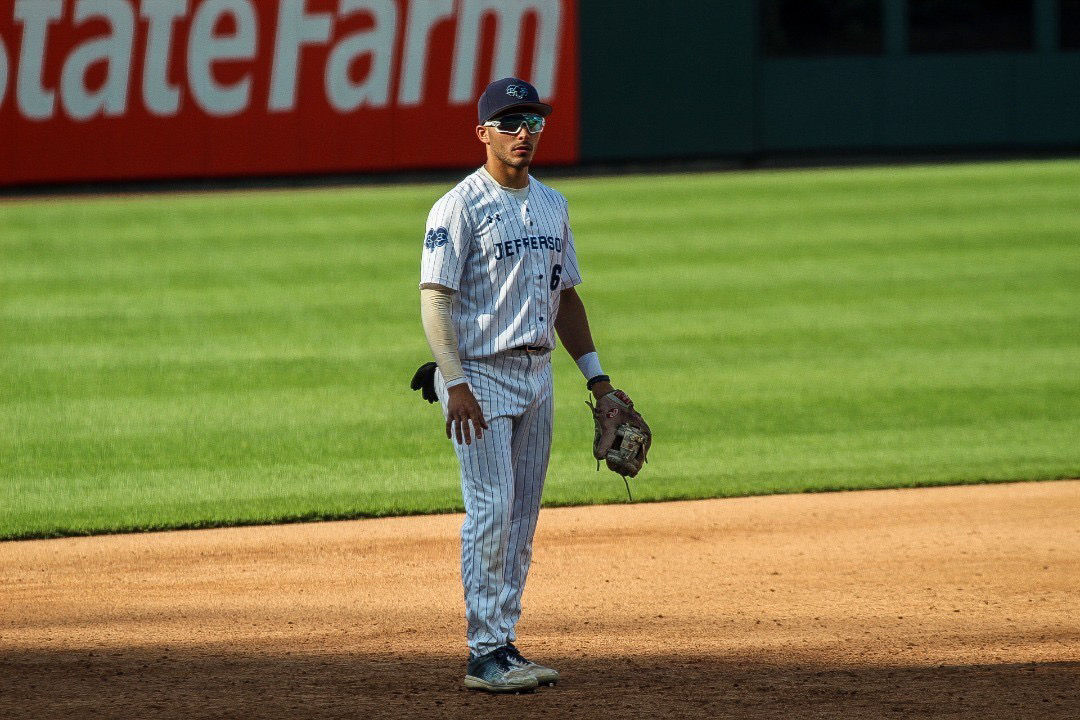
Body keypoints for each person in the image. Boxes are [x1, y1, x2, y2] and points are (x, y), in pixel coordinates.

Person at [418, 77, 627, 693]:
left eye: (532, 122)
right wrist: (454, 381)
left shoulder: (553, 205)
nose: (523, 133)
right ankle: (484, 653)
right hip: (479, 378)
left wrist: (599, 382)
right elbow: (435, 300)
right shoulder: (458, 207)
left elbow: (566, 300)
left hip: (538, 376)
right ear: (483, 133)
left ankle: (504, 642)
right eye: (510, 123)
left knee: (521, 517)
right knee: (491, 509)